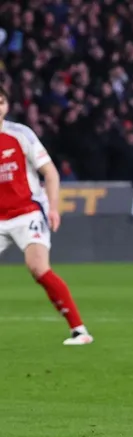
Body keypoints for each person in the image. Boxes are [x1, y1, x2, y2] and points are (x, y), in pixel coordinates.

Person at [0, 86, 92, 345]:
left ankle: (79, 331)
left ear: (7, 106)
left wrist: (53, 207)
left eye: (1, 101)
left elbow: (50, 172)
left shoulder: (21, 135)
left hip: (27, 212)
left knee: (38, 267)